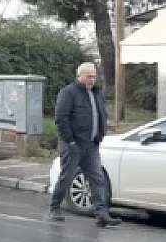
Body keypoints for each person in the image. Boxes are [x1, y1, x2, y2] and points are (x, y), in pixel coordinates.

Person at [47, 62, 122, 227]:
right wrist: (70, 140)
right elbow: (61, 118)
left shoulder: (97, 94)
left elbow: (99, 114)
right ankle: (54, 208)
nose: (91, 80)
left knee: (97, 178)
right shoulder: (68, 93)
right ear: (79, 76)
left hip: (91, 144)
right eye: (88, 76)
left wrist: (105, 127)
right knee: (67, 177)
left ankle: (101, 213)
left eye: (94, 76)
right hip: (73, 144)